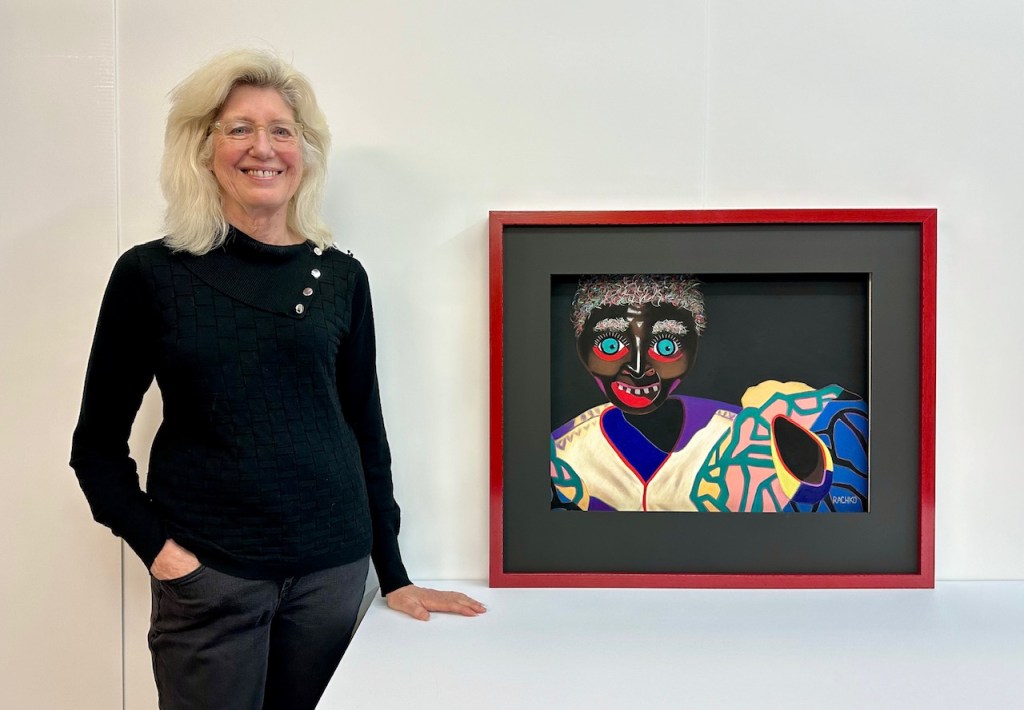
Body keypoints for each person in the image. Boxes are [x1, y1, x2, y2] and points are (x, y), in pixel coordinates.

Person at [71, 49, 484, 710]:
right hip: (212, 579)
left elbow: (364, 431)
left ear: (305, 152)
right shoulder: (151, 275)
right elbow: (95, 449)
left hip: (332, 577)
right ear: (203, 148)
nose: (263, 148)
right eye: (239, 128)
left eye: (282, 130)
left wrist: (392, 572)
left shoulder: (342, 277)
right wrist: (165, 555)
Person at [550, 274, 869, 513]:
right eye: (610, 345)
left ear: (693, 348)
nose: (637, 369)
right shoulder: (563, 452)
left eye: (665, 346)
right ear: (580, 348)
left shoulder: (743, 436)